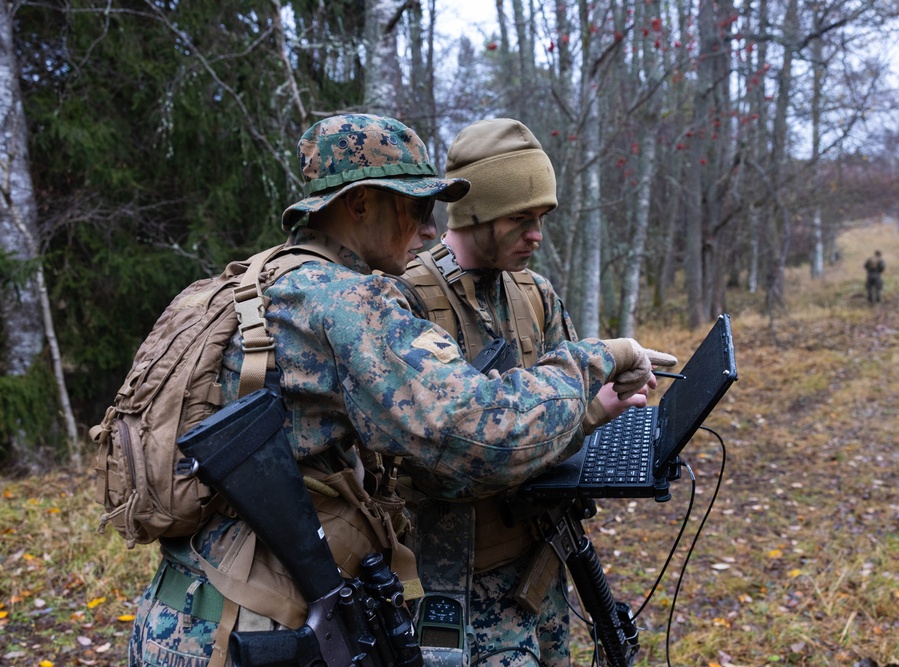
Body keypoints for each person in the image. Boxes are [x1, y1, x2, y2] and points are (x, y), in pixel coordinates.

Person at [127, 113, 676, 667]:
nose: (431, 228)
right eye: (415, 207)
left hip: (182, 614)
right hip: (247, 632)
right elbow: (482, 430)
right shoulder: (346, 304)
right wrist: (599, 358)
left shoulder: (249, 283)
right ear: (359, 204)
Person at [392, 118, 653, 666]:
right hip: (454, 587)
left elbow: (564, 407)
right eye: (521, 219)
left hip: (541, 570)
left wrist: (602, 407)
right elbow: (444, 461)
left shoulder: (535, 294)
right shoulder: (404, 302)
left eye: (542, 219)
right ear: (476, 213)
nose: (536, 235)